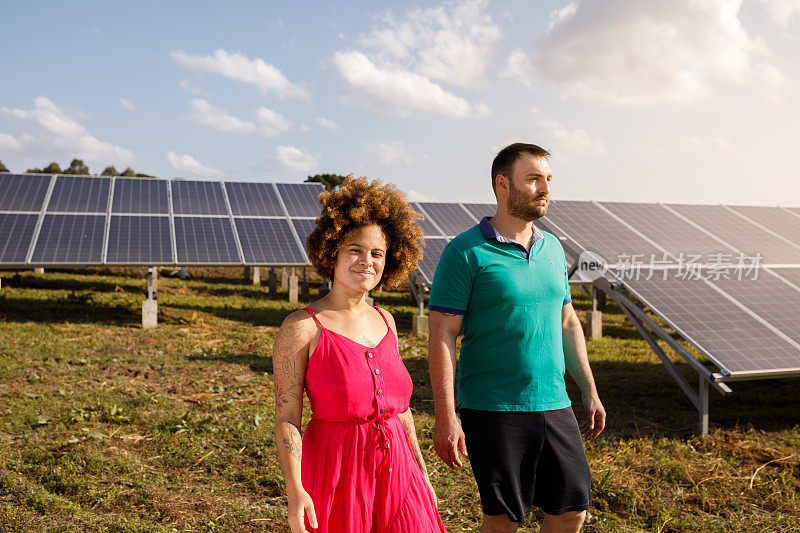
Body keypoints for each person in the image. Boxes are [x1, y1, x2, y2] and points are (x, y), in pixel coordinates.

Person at [427, 143, 606, 533]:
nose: (545, 188)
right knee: (505, 519)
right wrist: (445, 417)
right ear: (503, 185)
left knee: (572, 508)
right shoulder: (465, 252)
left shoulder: (553, 247)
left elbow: (568, 322)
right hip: (494, 407)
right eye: (533, 179)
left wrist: (588, 389)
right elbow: (442, 335)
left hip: (554, 402)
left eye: (548, 179)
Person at [273, 177, 446, 533]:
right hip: (337, 475)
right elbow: (287, 416)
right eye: (355, 249)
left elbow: (403, 411)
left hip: (399, 473)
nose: (366, 261)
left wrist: (421, 472)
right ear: (331, 250)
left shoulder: (387, 320)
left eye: (377, 253)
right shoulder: (302, 327)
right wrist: (295, 490)